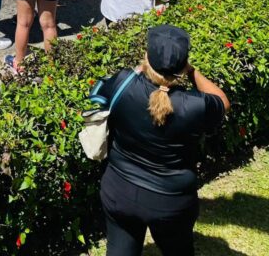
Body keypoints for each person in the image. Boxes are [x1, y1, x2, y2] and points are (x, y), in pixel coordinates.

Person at [90, 25, 229, 256]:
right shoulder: (194, 106)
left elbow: (99, 94)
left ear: (146, 56)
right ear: (182, 65)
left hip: (119, 190)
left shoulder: (123, 83)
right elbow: (222, 102)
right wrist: (192, 71)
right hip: (170, 202)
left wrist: (140, 70)